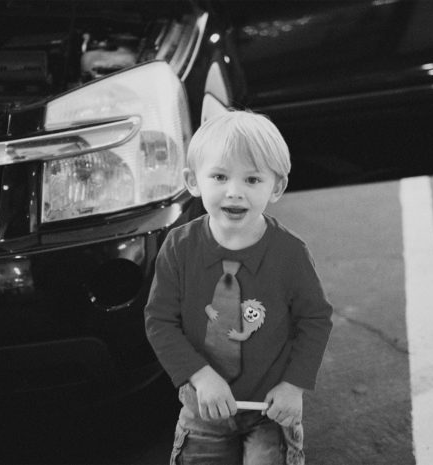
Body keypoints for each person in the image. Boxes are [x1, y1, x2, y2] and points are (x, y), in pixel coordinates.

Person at [145, 110, 333, 464]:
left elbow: (315, 320)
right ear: (193, 181)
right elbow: (160, 321)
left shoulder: (289, 253)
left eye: (252, 179)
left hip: (269, 411)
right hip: (203, 406)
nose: (234, 192)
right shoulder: (179, 247)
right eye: (219, 176)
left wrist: (293, 386)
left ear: (276, 187)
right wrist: (201, 377)